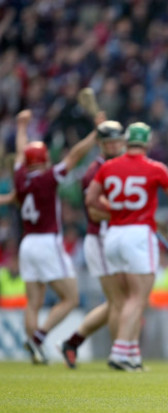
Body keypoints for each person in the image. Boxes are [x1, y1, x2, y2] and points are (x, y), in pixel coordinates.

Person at [86, 122, 168, 371]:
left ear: (126, 141)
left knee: (124, 298)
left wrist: (115, 208)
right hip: (138, 235)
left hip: (112, 235)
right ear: (148, 142)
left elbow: (90, 199)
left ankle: (132, 355)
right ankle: (120, 351)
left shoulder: (108, 166)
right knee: (138, 298)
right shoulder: (155, 168)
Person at [13, 109, 103, 365]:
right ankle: (38, 338)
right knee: (71, 298)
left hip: (27, 243)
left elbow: (20, 152)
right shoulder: (47, 177)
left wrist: (21, 127)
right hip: (47, 241)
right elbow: (74, 156)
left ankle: (36, 350)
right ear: (44, 160)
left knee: (33, 302)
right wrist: (95, 133)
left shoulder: (20, 176)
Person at [58, 120, 126, 369]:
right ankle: (121, 356)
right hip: (100, 239)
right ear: (100, 144)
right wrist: (128, 214)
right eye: (109, 142)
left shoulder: (122, 167)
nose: (115, 145)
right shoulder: (92, 172)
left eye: (118, 140)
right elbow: (94, 213)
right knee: (120, 302)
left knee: (120, 301)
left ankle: (73, 342)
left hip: (118, 239)